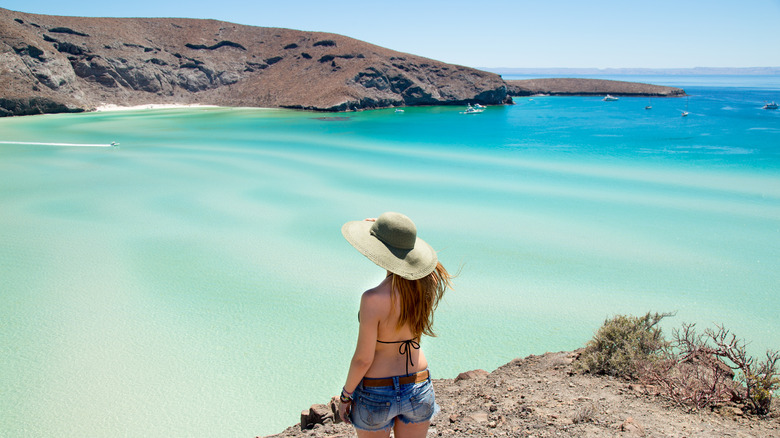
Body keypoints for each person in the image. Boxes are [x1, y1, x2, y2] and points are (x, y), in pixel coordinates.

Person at [338, 212, 453, 437]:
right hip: (418, 386)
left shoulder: (373, 299)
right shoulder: (427, 286)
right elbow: (425, 265)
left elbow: (363, 359)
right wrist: (391, 237)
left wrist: (345, 396)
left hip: (375, 392)